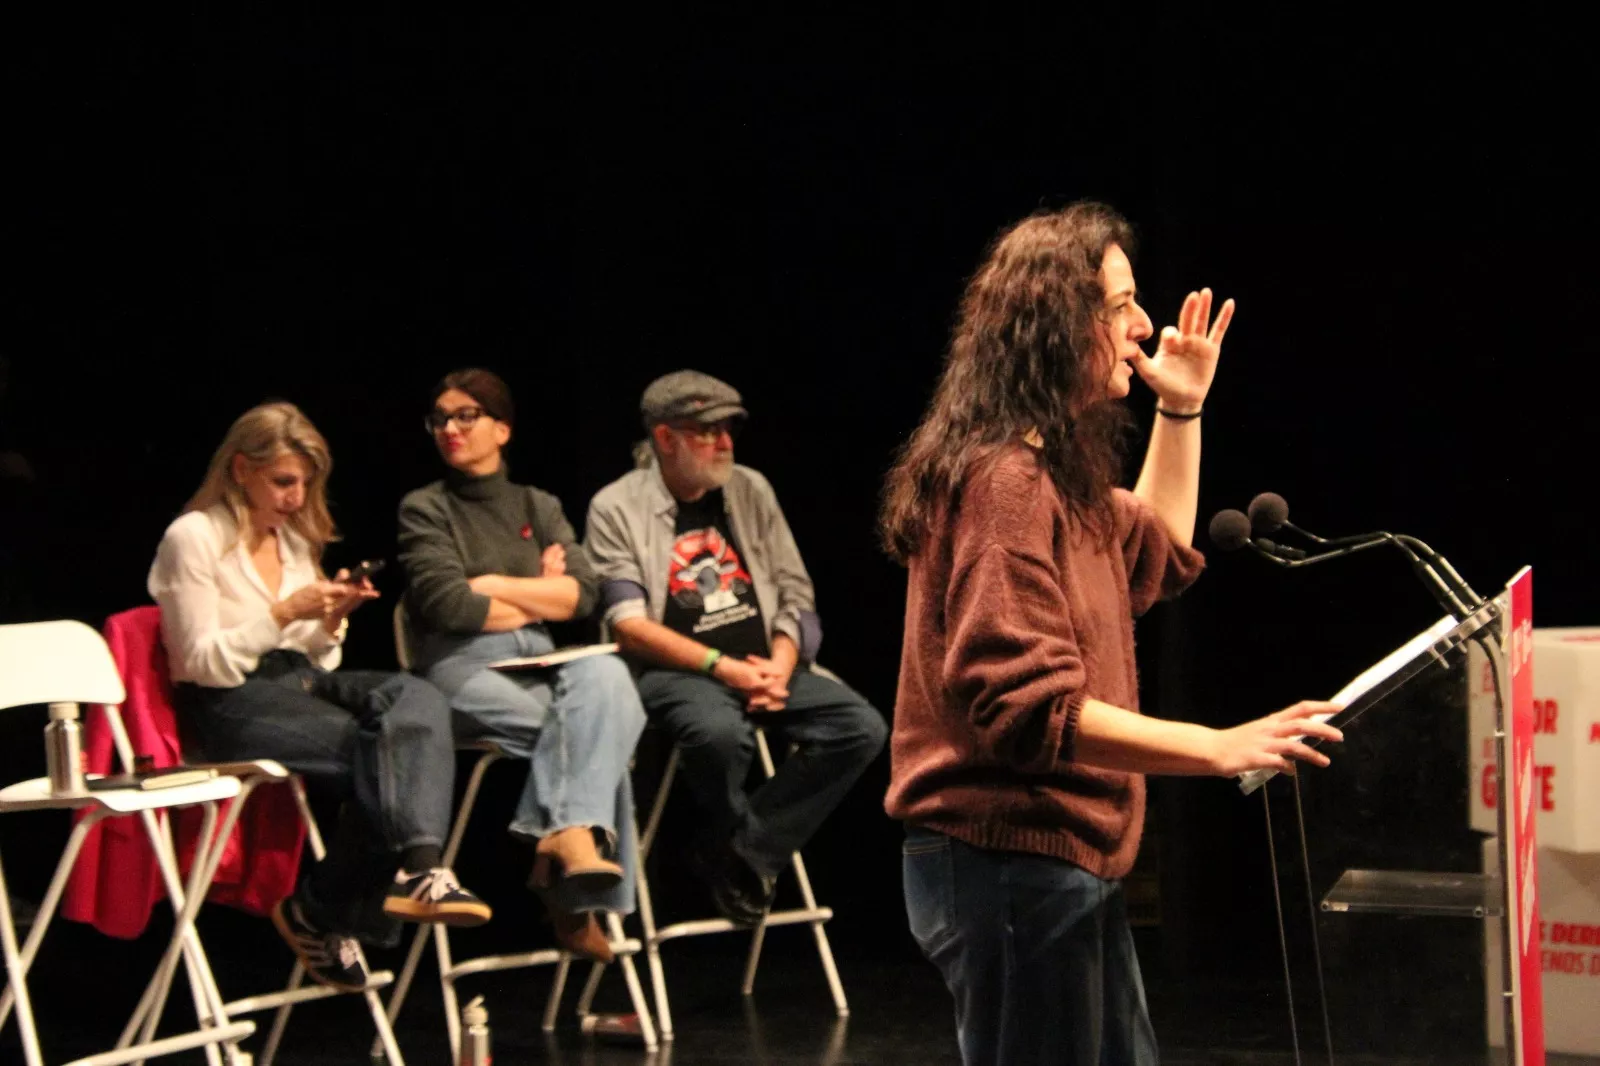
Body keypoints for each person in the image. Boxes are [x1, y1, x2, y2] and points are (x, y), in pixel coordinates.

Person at [879, 202, 1344, 1066]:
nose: (1142, 327)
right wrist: (1218, 747)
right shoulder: (1003, 482)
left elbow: (1155, 555)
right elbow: (1027, 709)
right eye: (1117, 305)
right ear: (1055, 327)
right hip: (1007, 863)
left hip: (1056, 865)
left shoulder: (1055, 474)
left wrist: (1184, 411)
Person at [149, 401, 490, 993]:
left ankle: (377, 888)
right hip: (230, 700)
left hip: (296, 680)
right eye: (283, 482)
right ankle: (359, 897)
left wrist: (332, 618)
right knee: (383, 756)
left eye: (305, 485)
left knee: (415, 697)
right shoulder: (194, 537)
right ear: (240, 470)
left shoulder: (292, 542)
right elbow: (202, 663)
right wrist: (284, 611)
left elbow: (314, 653)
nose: (295, 498)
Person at [584, 370, 888, 922]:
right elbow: (628, 626)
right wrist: (725, 670)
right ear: (665, 438)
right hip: (677, 671)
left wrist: (779, 664)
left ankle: (738, 851)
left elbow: (796, 590)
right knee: (719, 735)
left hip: (765, 663)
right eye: (707, 431)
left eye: (728, 429)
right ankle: (739, 846)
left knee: (860, 728)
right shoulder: (615, 507)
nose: (725, 443)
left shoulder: (751, 488)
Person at [397, 368, 646, 963]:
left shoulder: (539, 504)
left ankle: (566, 844)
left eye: (465, 416)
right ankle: (573, 894)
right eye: (439, 419)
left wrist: (493, 586)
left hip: (541, 659)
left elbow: (582, 596)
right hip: (459, 667)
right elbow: (448, 604)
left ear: (501, 429)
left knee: (610, 681)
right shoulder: (426, 508)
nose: (449, 429)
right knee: (592, 738)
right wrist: (538, 589)